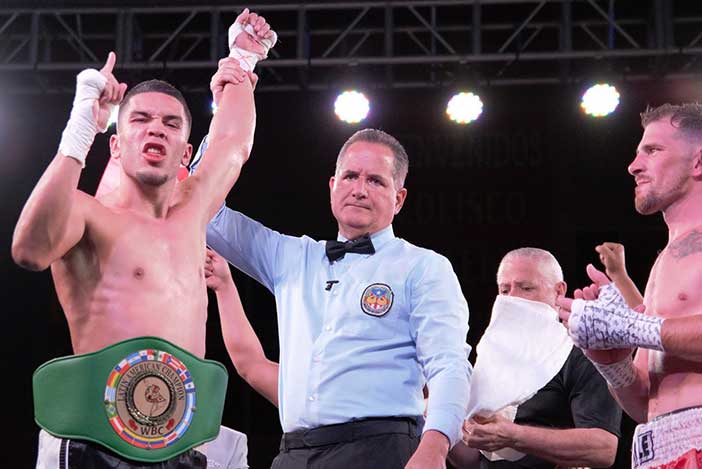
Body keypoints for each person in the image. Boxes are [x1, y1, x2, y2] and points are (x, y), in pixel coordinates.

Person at [12, 9, 276, 468]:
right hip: (97, 441)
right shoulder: (88, 215)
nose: (156, 128)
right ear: (116, 143)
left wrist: (242, 60)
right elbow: (29, 250)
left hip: (181, 443)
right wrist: (81, 129)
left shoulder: (192, 213)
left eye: (171, 124)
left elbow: (233, 143)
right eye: (140, 119)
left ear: (185, 152)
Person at [199, 128, 472, 468]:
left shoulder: (423, 267)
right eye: (350, 176)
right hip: (293, 454)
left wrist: (435, 446)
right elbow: (208, 215)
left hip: (379, 451)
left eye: (375, 181)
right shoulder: (292, 257)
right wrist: (223, 120)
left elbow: (449, 364)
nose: (359, 189)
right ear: (333, 186)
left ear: (399, 199)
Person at [557, 103, 702, 469]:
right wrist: (611, 359)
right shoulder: (666, 258)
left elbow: (642, 329)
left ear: (698, 162)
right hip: (661, 450)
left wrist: (631, 326)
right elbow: (642, 406)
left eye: (652, 150)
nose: (634, 166)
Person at [448, 248, 621, 469]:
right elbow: (474, 460)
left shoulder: (583, 352)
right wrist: (438, 417)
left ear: (559, 291)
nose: (512, 299)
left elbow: (603, 449)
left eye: (526, 288)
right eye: (504, 290)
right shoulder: (491, 358)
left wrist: (514, 436)